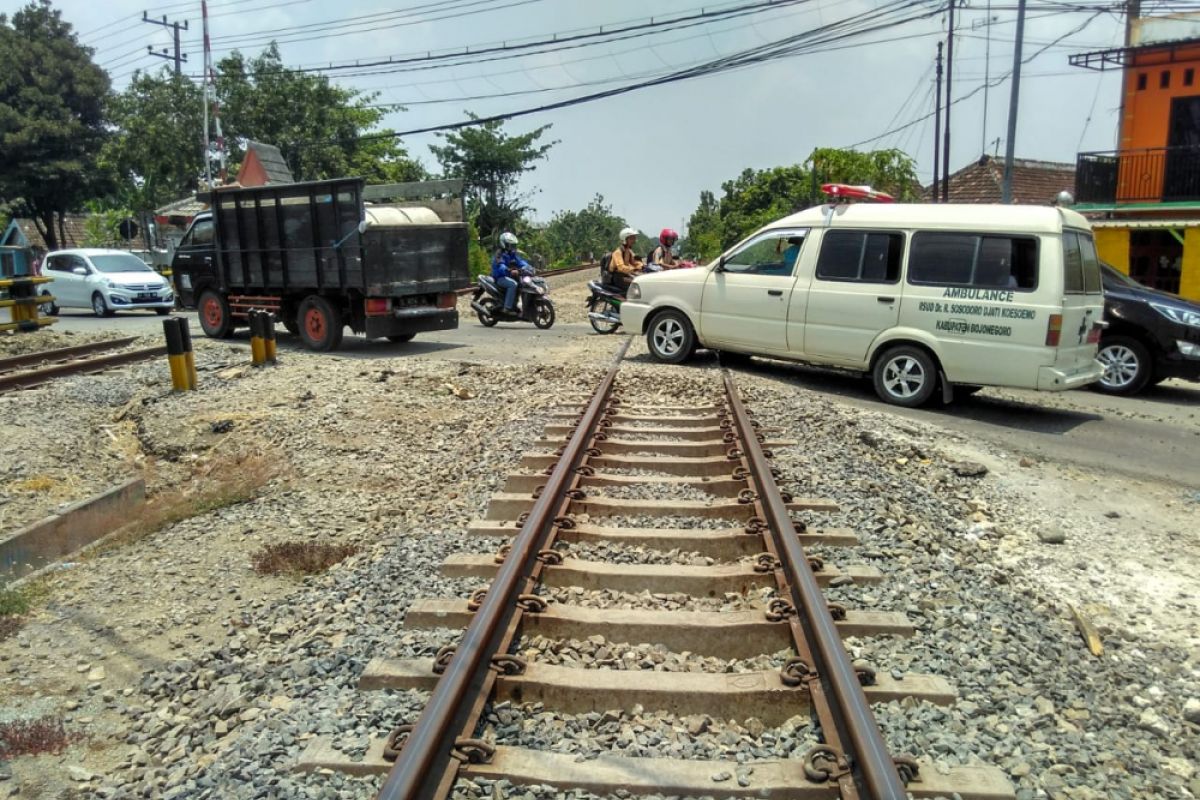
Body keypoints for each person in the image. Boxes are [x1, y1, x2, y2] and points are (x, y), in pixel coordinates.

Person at [491, 231, 530, 312]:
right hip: (500, 277)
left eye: (513, 245)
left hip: (510, 276)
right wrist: (509, 270)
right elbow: (501, 266)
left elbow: (520, 261)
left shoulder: (512, 253)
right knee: (513, 284)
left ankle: (515, 304)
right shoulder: (499, 254)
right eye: (510, 245)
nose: (512, 247)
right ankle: (507, 307)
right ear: (504, 244)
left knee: (522, 284)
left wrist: (528, 267)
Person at [608, 227, 644, 293]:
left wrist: (642, 266)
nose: (634, 240)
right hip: (618, 277)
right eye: (632, 238)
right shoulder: (618, 252)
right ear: (625, 239)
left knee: (643, 281)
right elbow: (621, 268)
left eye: (634, 238)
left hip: (626, 275)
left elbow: (634, 262)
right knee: (636, 286)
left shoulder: (629, 251)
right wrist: (634, 269)